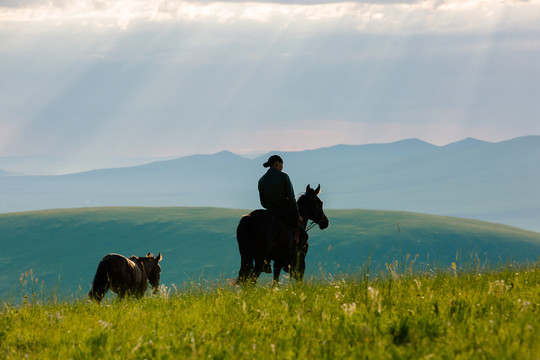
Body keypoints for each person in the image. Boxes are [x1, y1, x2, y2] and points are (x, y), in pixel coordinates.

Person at [258, 155, 306, 273]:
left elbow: (262, 202)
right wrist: (297, 216)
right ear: (276, 164)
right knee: (303, 235)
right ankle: (289, 262)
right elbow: (292, 199)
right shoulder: (284, 176)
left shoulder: (262, 180)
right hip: (284, 212)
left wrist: (270, 208)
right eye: (281, 165)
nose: (282, 167)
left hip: (269, 213)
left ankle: (266, 262)